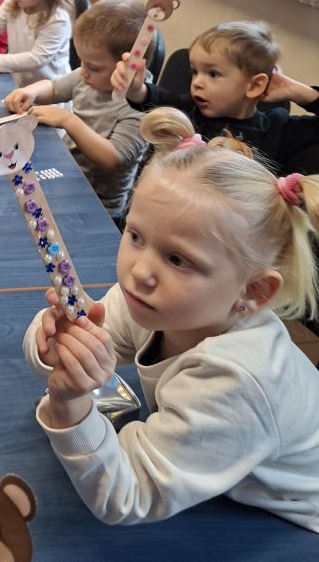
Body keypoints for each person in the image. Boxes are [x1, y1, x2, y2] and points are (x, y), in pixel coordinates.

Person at [23, 106, 319, 530]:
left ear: (252, 292)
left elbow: (126, 495)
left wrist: (69, 405)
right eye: (135, 235)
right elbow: (74, 349)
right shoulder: (154, 302)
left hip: (291, 522)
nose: (140, 271)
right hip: (224, 478)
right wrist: (54, 345)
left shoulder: (236, 380)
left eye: (178, 259)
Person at [5, 0, 151, 219]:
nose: (83, 71)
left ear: (131, 68)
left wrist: (68, 120)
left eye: (93, 67)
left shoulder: (141, 108)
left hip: (101, 208)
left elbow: (112, 160)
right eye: (81, 61)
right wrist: (31, 91)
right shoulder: (87, 77)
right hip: (68, 176)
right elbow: (54, 88)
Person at [111, 19, 319, 175]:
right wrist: (136, 90)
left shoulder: (277, 130)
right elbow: (155, 99)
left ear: (255, 85)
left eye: (213, 74)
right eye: (195, 72)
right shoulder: (189, 110)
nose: (197, 82)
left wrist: (305, 94)